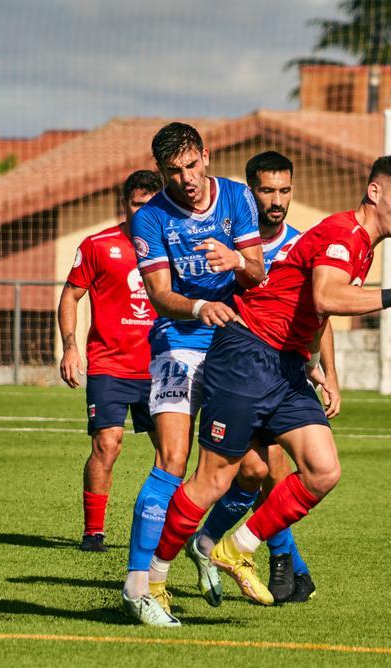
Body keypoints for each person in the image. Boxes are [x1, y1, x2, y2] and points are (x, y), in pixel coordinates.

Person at [135, 155, 391, 626]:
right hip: (247, 354)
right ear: (375, 192)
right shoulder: (343, 233)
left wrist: (319, 367)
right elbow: (328, 298)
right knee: (214, 479)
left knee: (323, 470)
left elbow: (312, 311)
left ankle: (236, 548)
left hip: (286, 366)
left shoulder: (363, 244)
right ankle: (151, 583)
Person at [120, 122, 265, 627]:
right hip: (178, 342)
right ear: (162, 172)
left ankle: (208, 545)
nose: (184, 178)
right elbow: (160, 294)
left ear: (206, 156)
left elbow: (258, 272)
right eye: (173, 171)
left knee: (253, 471)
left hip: (232, 343)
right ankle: (140, 586)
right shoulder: (151, 218)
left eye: (190, 165)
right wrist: (200, 304)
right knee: (173, 459)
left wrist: (236, 262)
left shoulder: (238, 198)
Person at [184, 151, 339, 607]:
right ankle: (269, 560)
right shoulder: (230, 241)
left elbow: (320, 313)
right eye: (267, 191)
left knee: (273, 470)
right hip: (229, 367)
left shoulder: (300, 245)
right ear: (250, 192)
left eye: (285, 191)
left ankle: (274, 563)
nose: (277, 201)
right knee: (249, 470)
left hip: (281, 371)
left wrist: (327, 373)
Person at [57, 169, 163, 552]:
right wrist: (70, 346)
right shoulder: (98, 245)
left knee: (171, 451)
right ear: (125, 204)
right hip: (110, 366)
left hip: (161, 368)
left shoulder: (177, 246)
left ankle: (161, 526)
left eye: (151, 205)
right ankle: (93, 532)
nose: (143, 212)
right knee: (108, 443)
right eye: (137, 205)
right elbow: (70, 297)